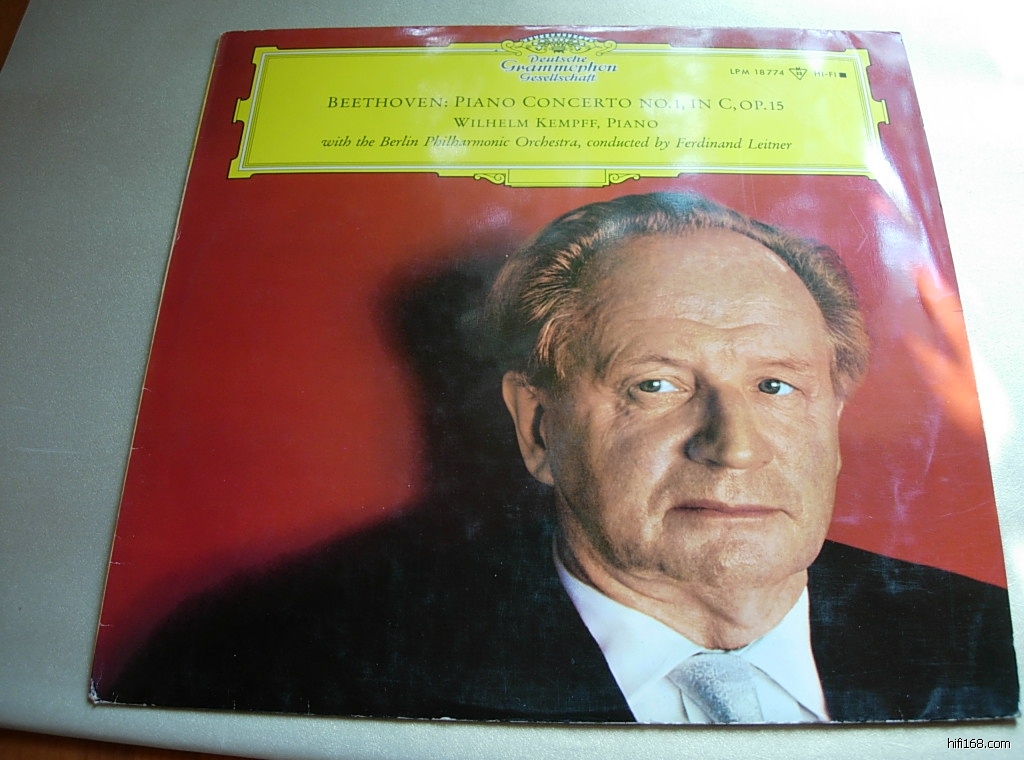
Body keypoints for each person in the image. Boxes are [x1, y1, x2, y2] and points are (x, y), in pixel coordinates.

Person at [102, 192, 1018, 724]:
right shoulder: (293, 672)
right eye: (655, 385)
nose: (734, 446)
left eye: (777, 386)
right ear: (539, 428)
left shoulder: (989, 643)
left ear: (835, 415)